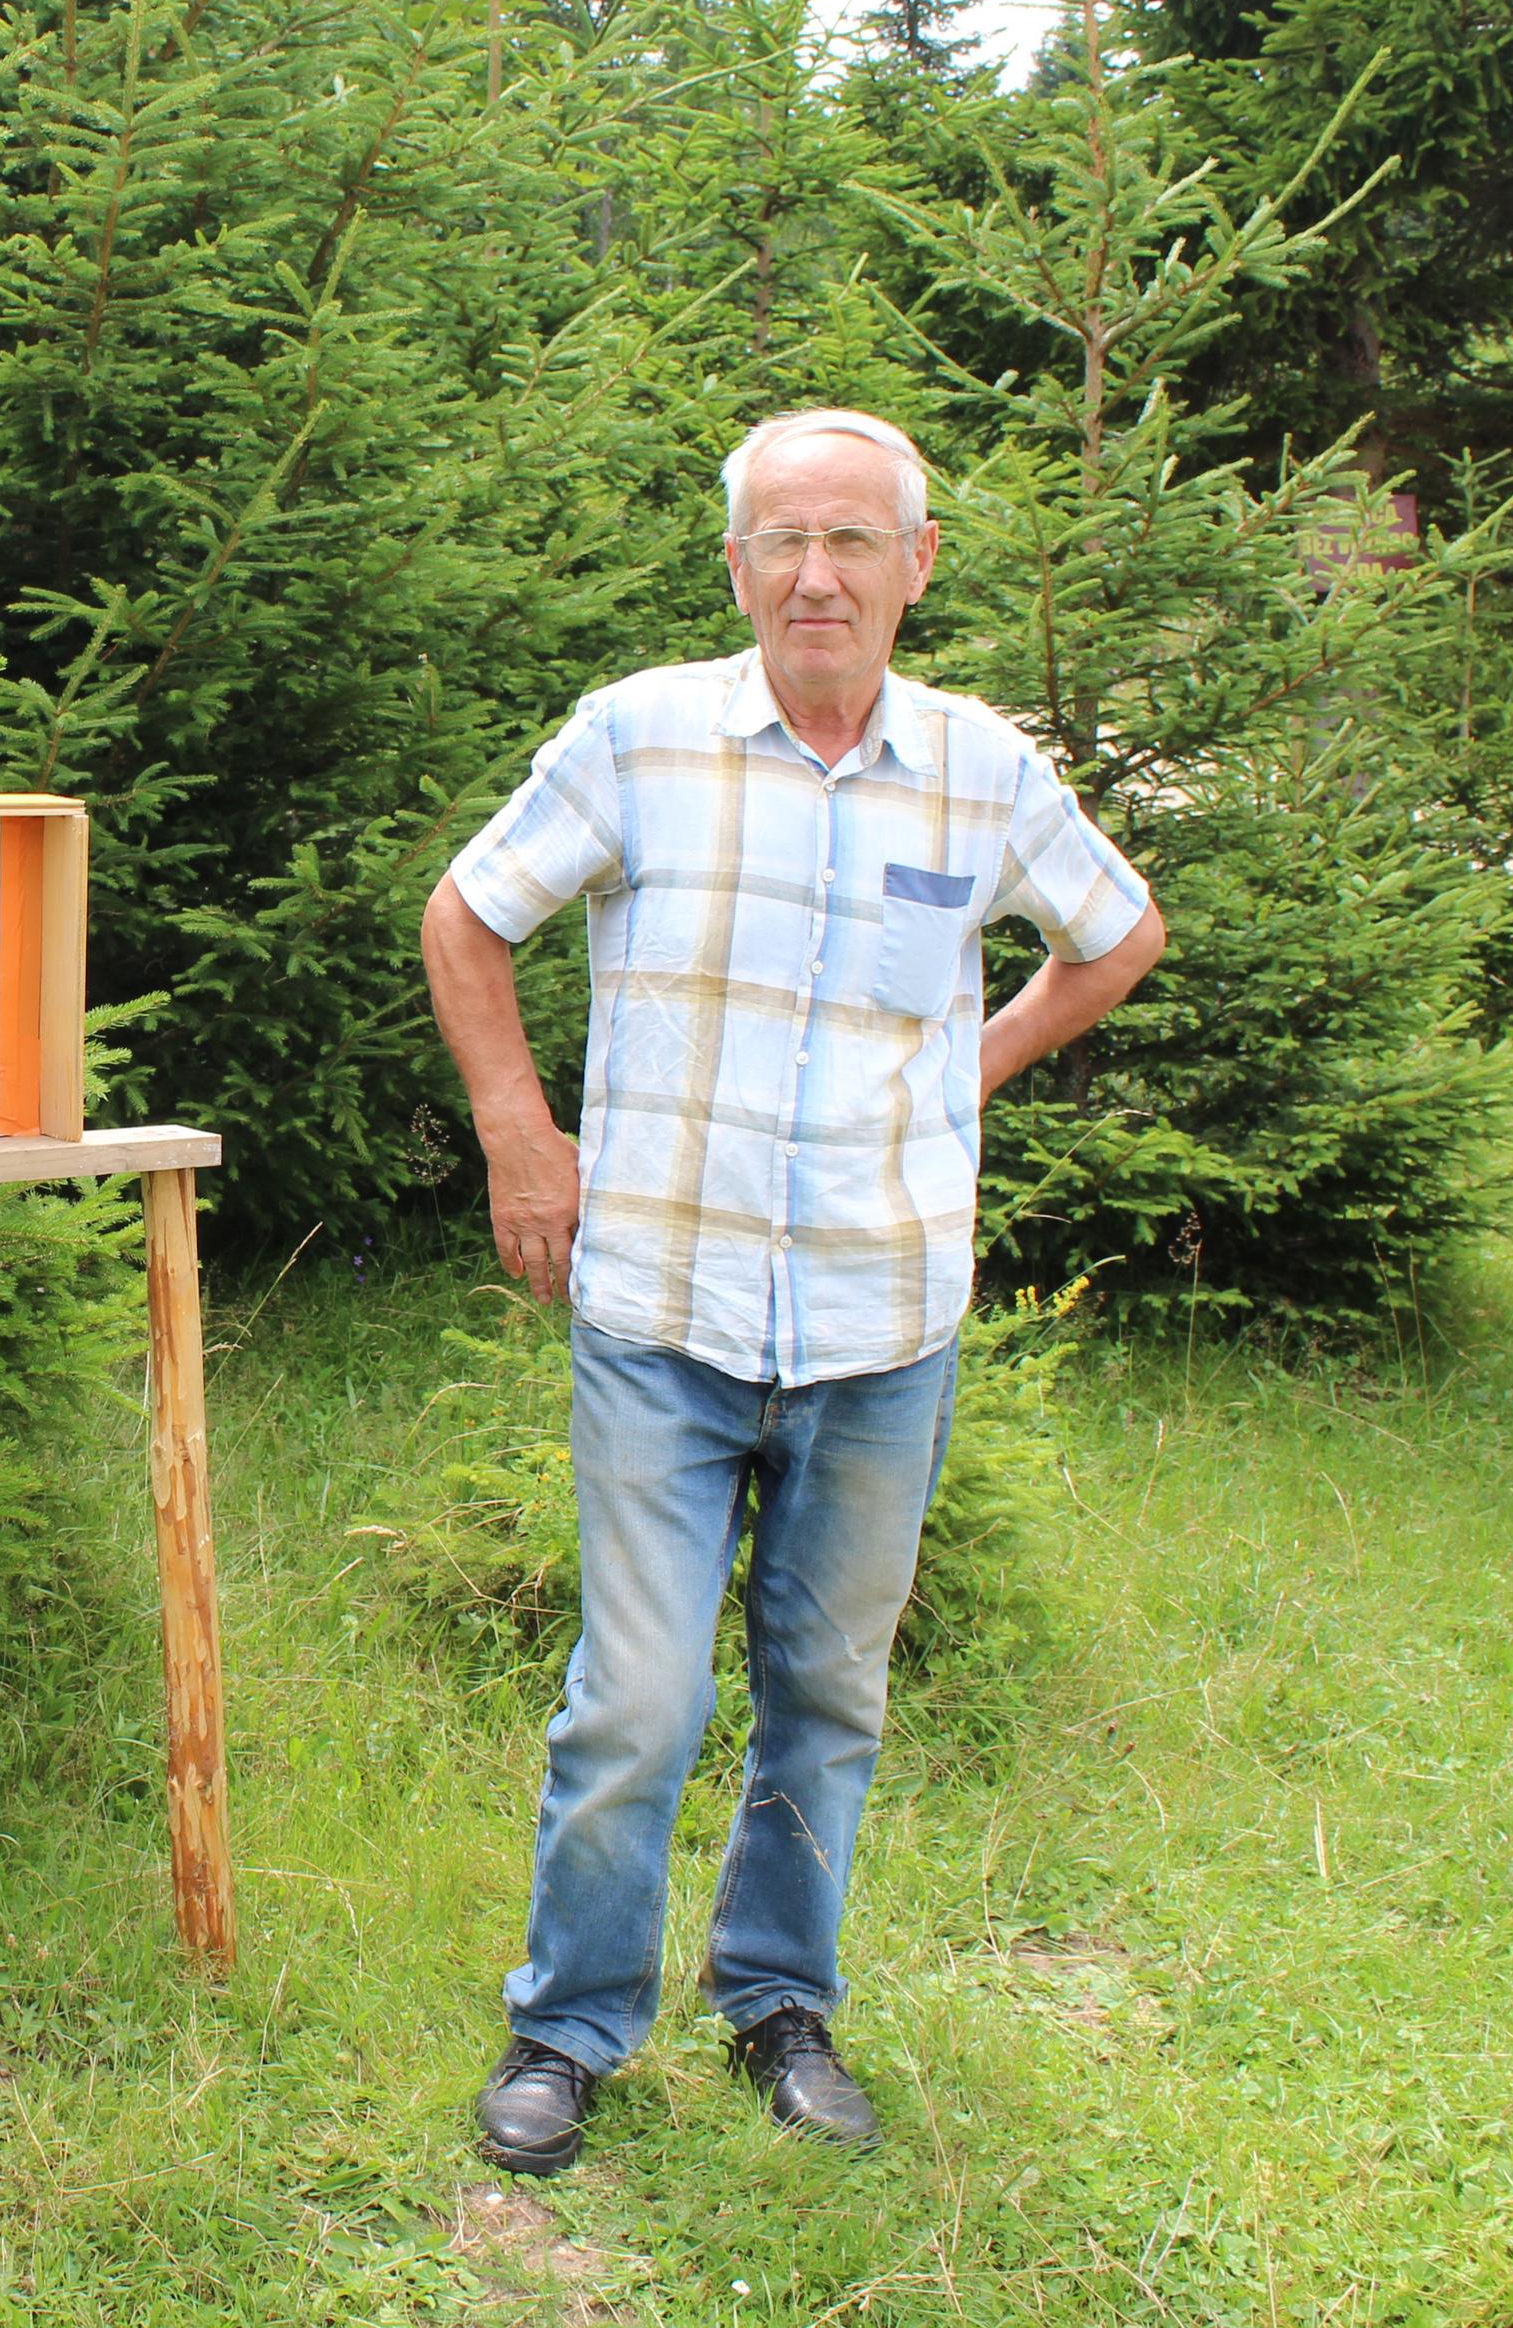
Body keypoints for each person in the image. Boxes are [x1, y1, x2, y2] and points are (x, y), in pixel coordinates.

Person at [419, 407, 1165, 2177]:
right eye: (781, 542)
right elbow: (469, 918)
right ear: (735, 564)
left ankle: (780, 2008)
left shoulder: (983, 769)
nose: (814, 576)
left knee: (828, 1698)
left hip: (877, 1326)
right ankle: (570, 2027)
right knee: (640, 1699)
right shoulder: (640, 738)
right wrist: (524, 1136)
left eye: (852, 542)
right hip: (663, 1311)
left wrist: (961, 1075)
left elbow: (1115, 933)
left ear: (918, 565)